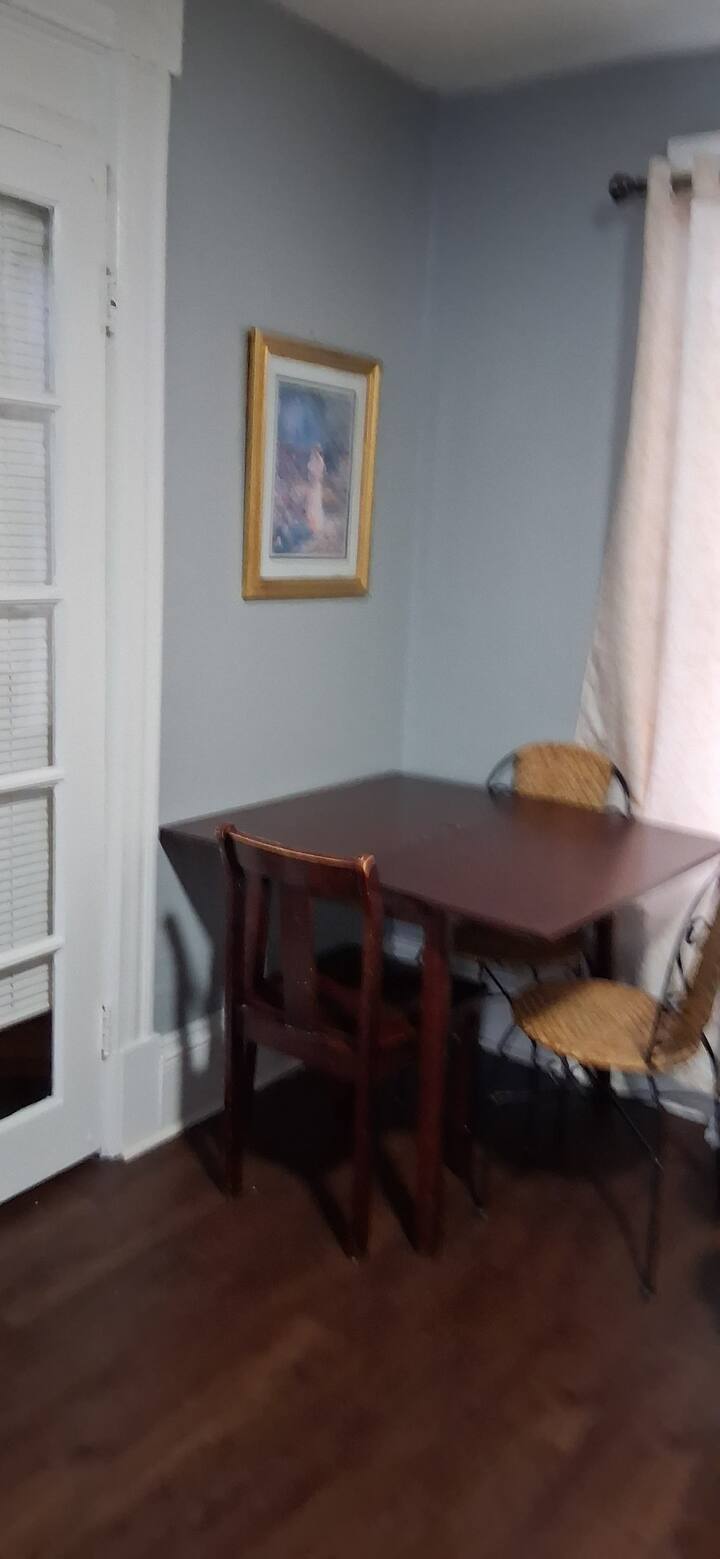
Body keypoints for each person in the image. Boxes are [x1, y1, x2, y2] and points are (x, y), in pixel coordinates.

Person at [306, 444, 326, 535]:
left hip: (316, 485)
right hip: (313, 485)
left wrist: (315, 478)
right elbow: (310, 469)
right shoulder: (312, 460)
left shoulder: (319, 461)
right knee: (311, 504)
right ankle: (312, 526)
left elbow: (319, 474)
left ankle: (316, 526)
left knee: (315, 504)